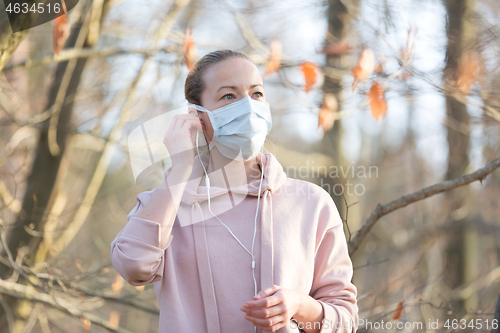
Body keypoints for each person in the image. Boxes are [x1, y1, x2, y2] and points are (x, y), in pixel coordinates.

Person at [110, 49, 358, 333]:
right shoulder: (168, 204)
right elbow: (133, 266)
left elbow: (346, 320)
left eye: (256, 94)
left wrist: (300, 306)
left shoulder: (312, 204)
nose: (248, 107)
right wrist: (180, 168)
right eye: (229, 96)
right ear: (198, 117)